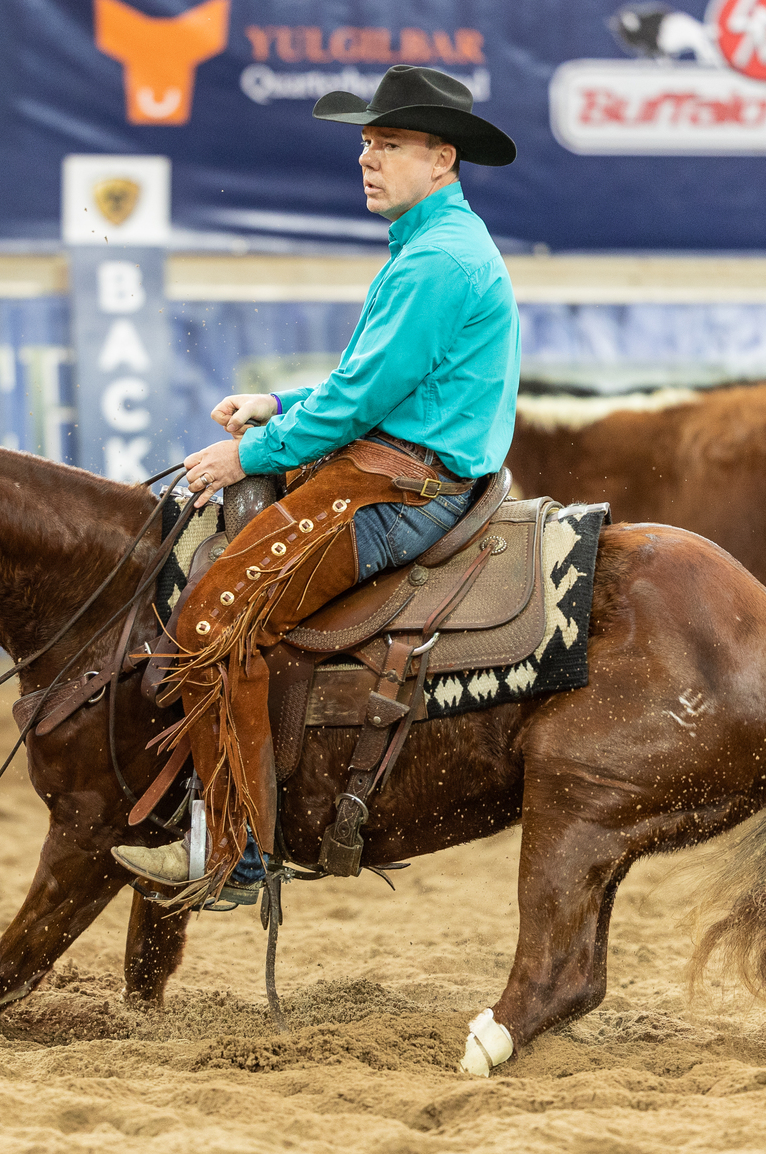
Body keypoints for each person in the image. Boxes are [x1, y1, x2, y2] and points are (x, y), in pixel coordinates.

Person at [113, 65, 521, 907]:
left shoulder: (435, 262)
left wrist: (251, 454)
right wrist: (280, 404)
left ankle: (238, 852)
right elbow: (369, 383)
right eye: (367, 144)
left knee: (214, 615)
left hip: (401, 488)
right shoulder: (434, 247)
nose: (367, 159)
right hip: (402, 467)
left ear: (442, 157)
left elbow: (363, 401)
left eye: (389, 144)